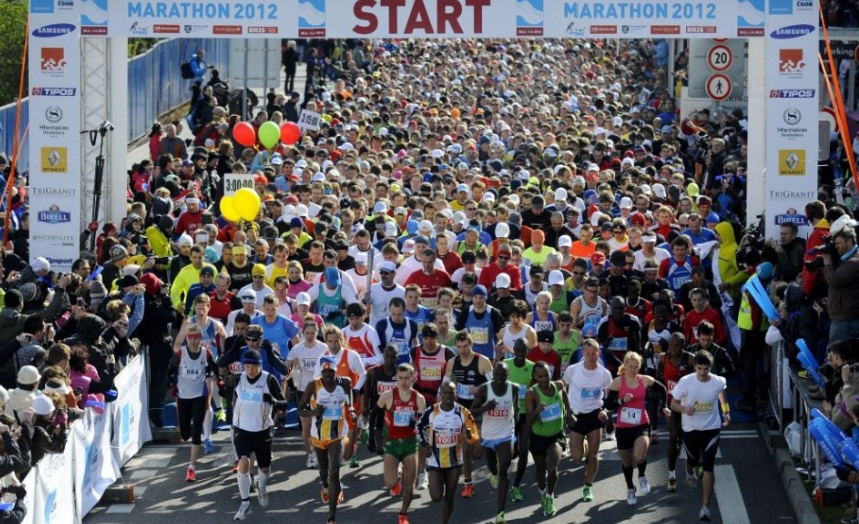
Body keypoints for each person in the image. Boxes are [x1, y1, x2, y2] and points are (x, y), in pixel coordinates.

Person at [670, 349, 730, 522]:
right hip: (690, 429)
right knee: (693, 460)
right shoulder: (686, 382)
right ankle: (689, 470)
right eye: (699, 369)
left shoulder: (719, 381)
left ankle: (705, 508)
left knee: (709, 465)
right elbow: (673, 404)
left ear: (710, 367)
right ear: (695, 366)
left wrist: (726, 412)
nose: (702, 373)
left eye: (706, 369)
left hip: (711, 428)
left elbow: (722, 394)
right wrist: (685, 409)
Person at [604, 352, 670, 506]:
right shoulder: (617, 382)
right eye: (630, 366)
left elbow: (662, 389)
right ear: (625, 366)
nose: (633, 370)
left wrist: (664, 405)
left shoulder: (644, 380)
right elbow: (608, 405)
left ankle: (641, 475)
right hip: (623, 427)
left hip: (641, 424)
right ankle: (630, 488)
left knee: (639, 457)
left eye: (636, 367)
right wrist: (621, 400)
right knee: (627, 462)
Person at [298, 355, 356, 524]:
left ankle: (331, 517)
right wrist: (314, 413)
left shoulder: (344, 382)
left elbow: (348, 397)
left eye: (331, 371)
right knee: (324, 473)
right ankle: (324, 486)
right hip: (318, 436)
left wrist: (351, 408)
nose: (328, 375)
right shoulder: (313, 385)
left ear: (336, 370)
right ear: (321, 372)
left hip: (336, 436)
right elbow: (300, 409)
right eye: (325, 371)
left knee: (334, 472)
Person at [231, 349, 288, 520]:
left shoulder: (268, 380)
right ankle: (245, 503)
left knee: (264, 467)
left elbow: (284, 403)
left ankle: (261, 486)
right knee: (243, 462)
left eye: (253, 367)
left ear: (259, 366)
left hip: (262, 430)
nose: (250, 370)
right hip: (242, 429)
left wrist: (273, 401)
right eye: (247, 367)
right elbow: (230, 396)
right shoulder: (238, 379)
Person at [417, 381, 480, 524]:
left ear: (456, 394)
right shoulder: (432, 411)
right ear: (440, 395)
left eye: (451, 392)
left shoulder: (463, 412)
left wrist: (470, 436)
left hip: (455, 461)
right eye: (444, 392)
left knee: (449, 497)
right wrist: (424, 443)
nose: (448, 395)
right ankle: (435, 482)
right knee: (436, 497)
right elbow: (417, 427)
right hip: (435, 460)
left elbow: (474, 434)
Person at [562, 337, 612, 502]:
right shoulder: (573, 370)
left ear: (598, 353)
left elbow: (610, 395)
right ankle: (581, 445)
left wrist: (605, 410)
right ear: (582, 353)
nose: (591, 357)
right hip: (576, 415)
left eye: (594, 353)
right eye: (588, 353)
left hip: (594, 415)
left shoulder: (604, 374)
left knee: (593, 455)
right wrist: (567, 411)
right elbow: (562, 388)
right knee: (576, 457)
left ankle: (588, 486)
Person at [444, 331, 493, 497]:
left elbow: (494, 385)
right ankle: (468, 483)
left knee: (477, 453)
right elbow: (444, 385)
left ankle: (494, 468)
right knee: (465, 448)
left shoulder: (482, 361)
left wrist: (480, 389)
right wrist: (449, 393)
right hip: (463, 412)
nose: (462, 350)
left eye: (465, 346)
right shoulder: (452, 362)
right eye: (459, 347)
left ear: (471, 345)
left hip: (480, 411)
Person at [169, 323, 218, 482]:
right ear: (187, 339)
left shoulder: (206, 353)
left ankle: (191, 468)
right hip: (183, 396)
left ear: (200, 339)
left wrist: (217, 380)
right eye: (190, 338)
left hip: (199, 395)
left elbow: (214, 370)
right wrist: (171, 385)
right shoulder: (180, 354)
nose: (194, 341)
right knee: (185, 433)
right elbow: (170, 370)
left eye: (197, 338)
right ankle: (187, 430)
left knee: (196, 430)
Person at [377, 363, 426, 524]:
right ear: (396, 378)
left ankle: (403, 514)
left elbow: (421, 423)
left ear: (413, 378)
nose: (403, 382)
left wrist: (415, 423)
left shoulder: (419, 399)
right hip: (392, 443)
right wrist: (374, 438)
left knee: (409, 487)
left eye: (407, 378)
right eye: (400, 378)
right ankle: (396, 478)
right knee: (390, 483)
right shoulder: (387, 396)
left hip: (410, 444)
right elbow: (375, 416)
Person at [471, 362, 518, 524]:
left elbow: (516, 409)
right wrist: (486, 407)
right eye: (496, 375)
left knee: (504, 469)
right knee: (493, 467)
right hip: (489, 436)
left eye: (502, 375)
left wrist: (516, 428)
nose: (499, 378)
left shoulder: (514, 388)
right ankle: (494, 472)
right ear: (493, 375)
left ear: (507, 375)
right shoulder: (485, 389)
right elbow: (471, 411)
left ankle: (500, 514)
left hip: (506, 435)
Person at [525, 361, 574, 517]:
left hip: (556, 435)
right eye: (540, 376)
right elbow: (529, 421)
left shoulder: (558, 385)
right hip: (538, 437)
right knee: (540, 470)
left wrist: (568, 412)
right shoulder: (532, 393)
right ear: (535, 377)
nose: (545, 379)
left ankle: (550, 496)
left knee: (552, 468)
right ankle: (542, 490)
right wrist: (538, 410)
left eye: (546, 375)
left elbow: (565, 393)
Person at [410, 322, 455, 489]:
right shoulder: (414, 351)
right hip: (421, 398)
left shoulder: (447, 352)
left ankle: (442, 468)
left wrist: (445, 396)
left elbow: (451, 376)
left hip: (440, 399)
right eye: (426, 338)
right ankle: (422, 473)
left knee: (440, 436)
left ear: (438, 338)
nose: (429, 342)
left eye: (432, 338)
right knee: (422, 436)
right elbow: (409, 372)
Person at [656, 332, 695, 492]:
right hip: (671, 405)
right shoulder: (662, 359)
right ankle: (671, 475)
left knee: (692, 439)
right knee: (674, 437)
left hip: (689, 405)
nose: (673, 349)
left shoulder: (690, 359)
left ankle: (692, 465)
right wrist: (660, 404)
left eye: (677, 345)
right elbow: (658, 383)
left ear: (683, 345)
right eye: (671, 345)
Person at [287, 317, 326, 468]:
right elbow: (286, 365)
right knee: (306, 426)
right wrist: (287, 373)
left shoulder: (322, 348)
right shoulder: (298, 348)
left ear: (317, 333)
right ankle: (310, 454)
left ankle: (321, 451)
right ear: (303, 334)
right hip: (302, 391)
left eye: (312, 333)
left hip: (319, 391)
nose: (310, 336)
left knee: (319, 424)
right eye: (307, 333)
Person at [504, 338, 534, 503]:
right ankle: (500, 475)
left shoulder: (531, 367)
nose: (521, 354)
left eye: (524, 351)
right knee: (510, 451)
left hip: (525, 415)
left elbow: (535, 390)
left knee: (524, 451)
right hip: (509, 414)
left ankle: (516, 486)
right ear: (513, 350)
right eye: (518, 350)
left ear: (527, 351)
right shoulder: (506, 365)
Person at [822, 225, 859, 343]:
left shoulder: (854, 261)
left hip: (846, 320)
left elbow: (835, 280)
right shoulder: (845, 260)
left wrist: (827, 265)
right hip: (843, 317)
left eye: (839, 243)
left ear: (849, 241)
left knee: (837, 356)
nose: (836, 246)